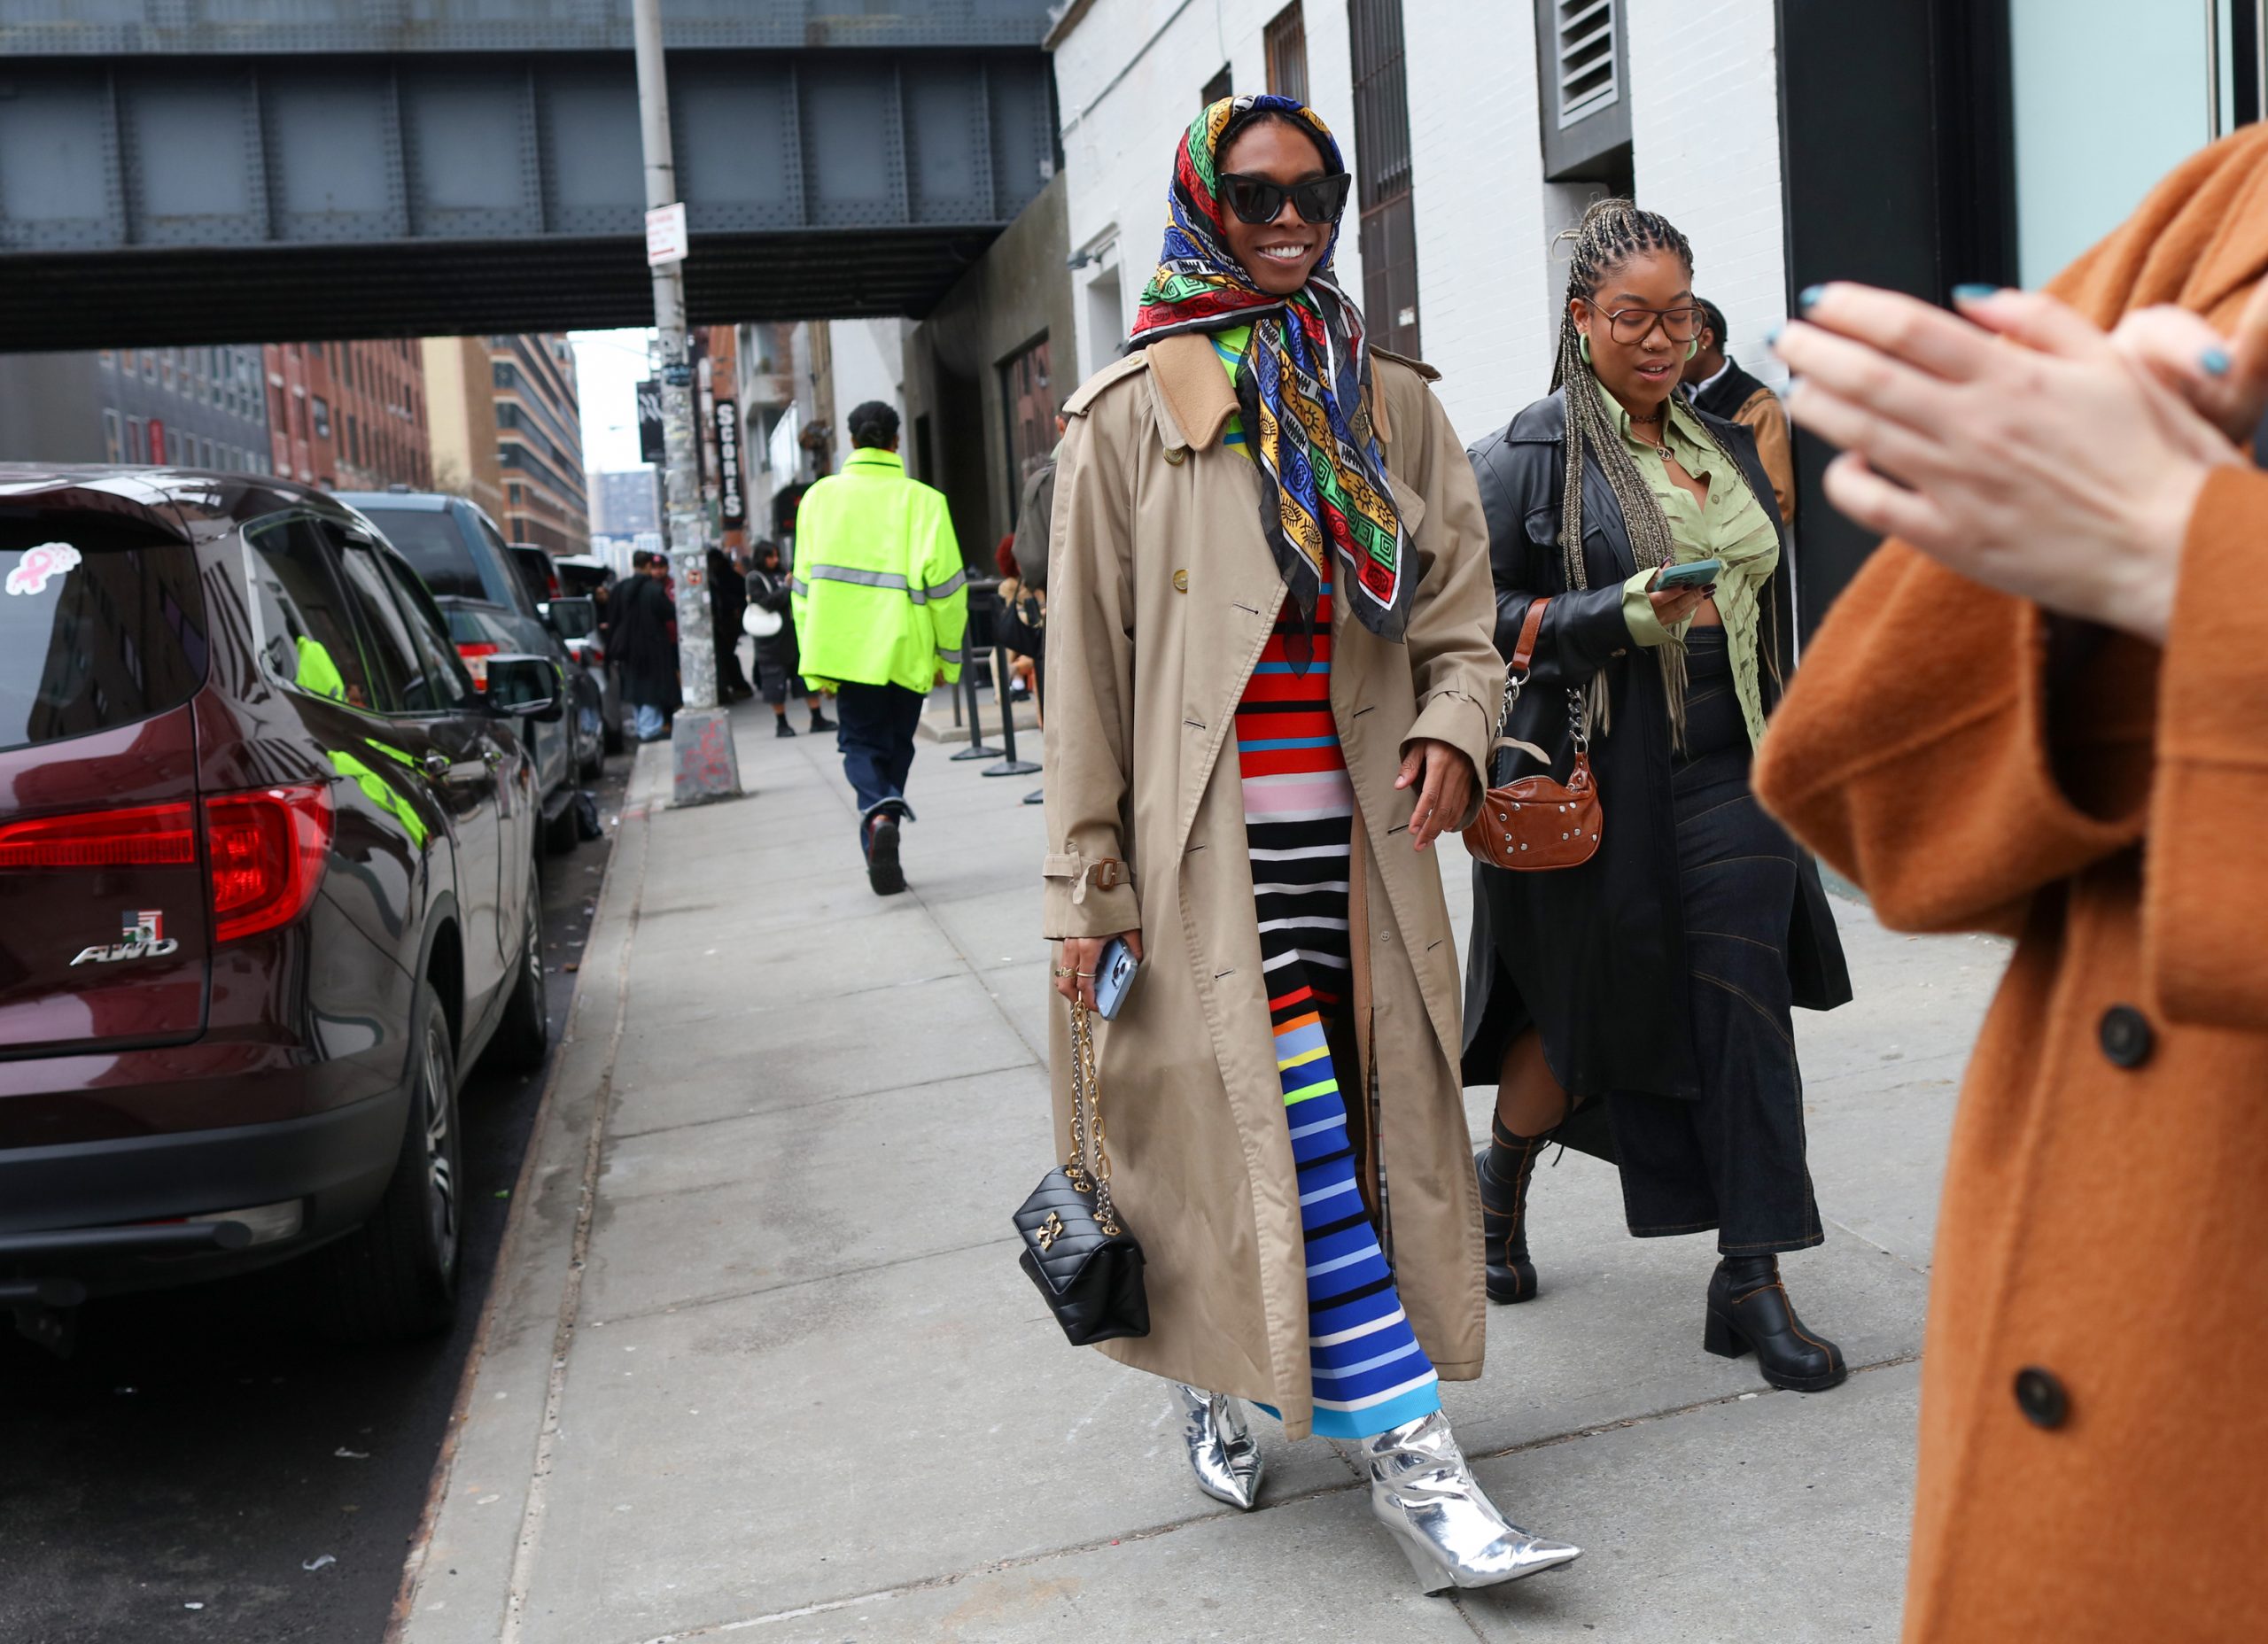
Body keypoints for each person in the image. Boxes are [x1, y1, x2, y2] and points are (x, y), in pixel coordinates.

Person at [1043, 92, 1578, 1594]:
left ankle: (1234, 1361)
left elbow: (1465, 628)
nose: (1291, 225)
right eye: (1260, 198)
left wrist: (1457, 729)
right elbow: (1083, 678)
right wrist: (1087, 885)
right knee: (1300, 1146)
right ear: (1206, 206)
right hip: (1197, 863)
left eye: (1316, 196)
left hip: (1367, 852)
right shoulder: (1130, 415)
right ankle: (1418, 1470)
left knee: (1333, 1130)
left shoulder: (1389, 403)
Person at [1757, 124, 2268, 1644]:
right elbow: (1857, 779)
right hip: (2096, 1419)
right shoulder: (2230, 206)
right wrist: (2109, 612)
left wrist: (2190, 566)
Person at [1460, 199, 1852, 1392]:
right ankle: (1505, 1168)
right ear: (1582, 321)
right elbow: (1467, 623)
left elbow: (1767, 599)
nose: (1659, 336)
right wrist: (1610, 615)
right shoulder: (1527, 452)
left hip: (1736, 773)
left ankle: (1753, 1275)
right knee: (1580, 1034)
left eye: (1678, 314)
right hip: (1598, 781)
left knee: (1746, 1014)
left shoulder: (1725, 440)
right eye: (1633, 315)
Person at [790, 399, 967, 896]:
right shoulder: (925, 501)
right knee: (897, 745)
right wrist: (946, 660)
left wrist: (813, 663)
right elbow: (949, 594)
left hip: (845, 652)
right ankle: (884, 821)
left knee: (861, 744)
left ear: (851, 441)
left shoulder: (818, 499)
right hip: (906, 648)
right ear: (896, 442)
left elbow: (802, 589)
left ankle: (878, 817)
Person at [1681, 297, 1797, 523]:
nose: (1666, 350)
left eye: (1678, 341)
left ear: (1705, 338)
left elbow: (1778, 503)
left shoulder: (1759, 408)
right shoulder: (1667, 399)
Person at [743, 539, 832, 738]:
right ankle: (781, 723)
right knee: (775, 683)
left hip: (792, 636)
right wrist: (787, 588)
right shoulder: (755, 578)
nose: (775, 560)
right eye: (770, 556)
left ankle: (817, 718)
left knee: (803, 679)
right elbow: (766, 602)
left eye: (776, 555)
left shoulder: (782, 572)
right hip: (770, 642)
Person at [609, 550, 678, 743]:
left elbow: (612, 617)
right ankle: (650, 729)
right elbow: (669, 612)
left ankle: (643, 727)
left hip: (628, 649)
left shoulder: (621, 588)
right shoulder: (653, 589)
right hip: (653, 648)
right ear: (648, 566)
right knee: (652, 689)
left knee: (636, 689)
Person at [707, 545, 753, 702]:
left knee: (726, 656)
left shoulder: (726, 578)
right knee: (726, 656)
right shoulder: (719, 578)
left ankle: (736, 686)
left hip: (729, 623)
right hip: (726, 623)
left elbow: (738, 599)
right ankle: (735, 686)